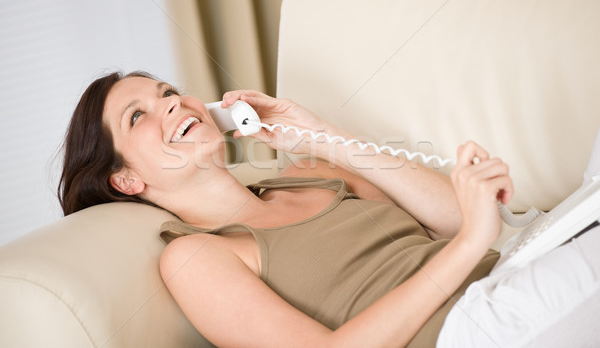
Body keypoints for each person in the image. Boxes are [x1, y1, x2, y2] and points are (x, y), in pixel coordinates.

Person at [59, 71, 600, 347]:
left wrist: (318, 134)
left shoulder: (312, 173)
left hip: (514, 270)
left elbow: (457, 220)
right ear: (126, 178)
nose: (173, 103)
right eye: (139, 116)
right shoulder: (196, 256)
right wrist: (466, 249)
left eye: (168, 91)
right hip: (467, 332)